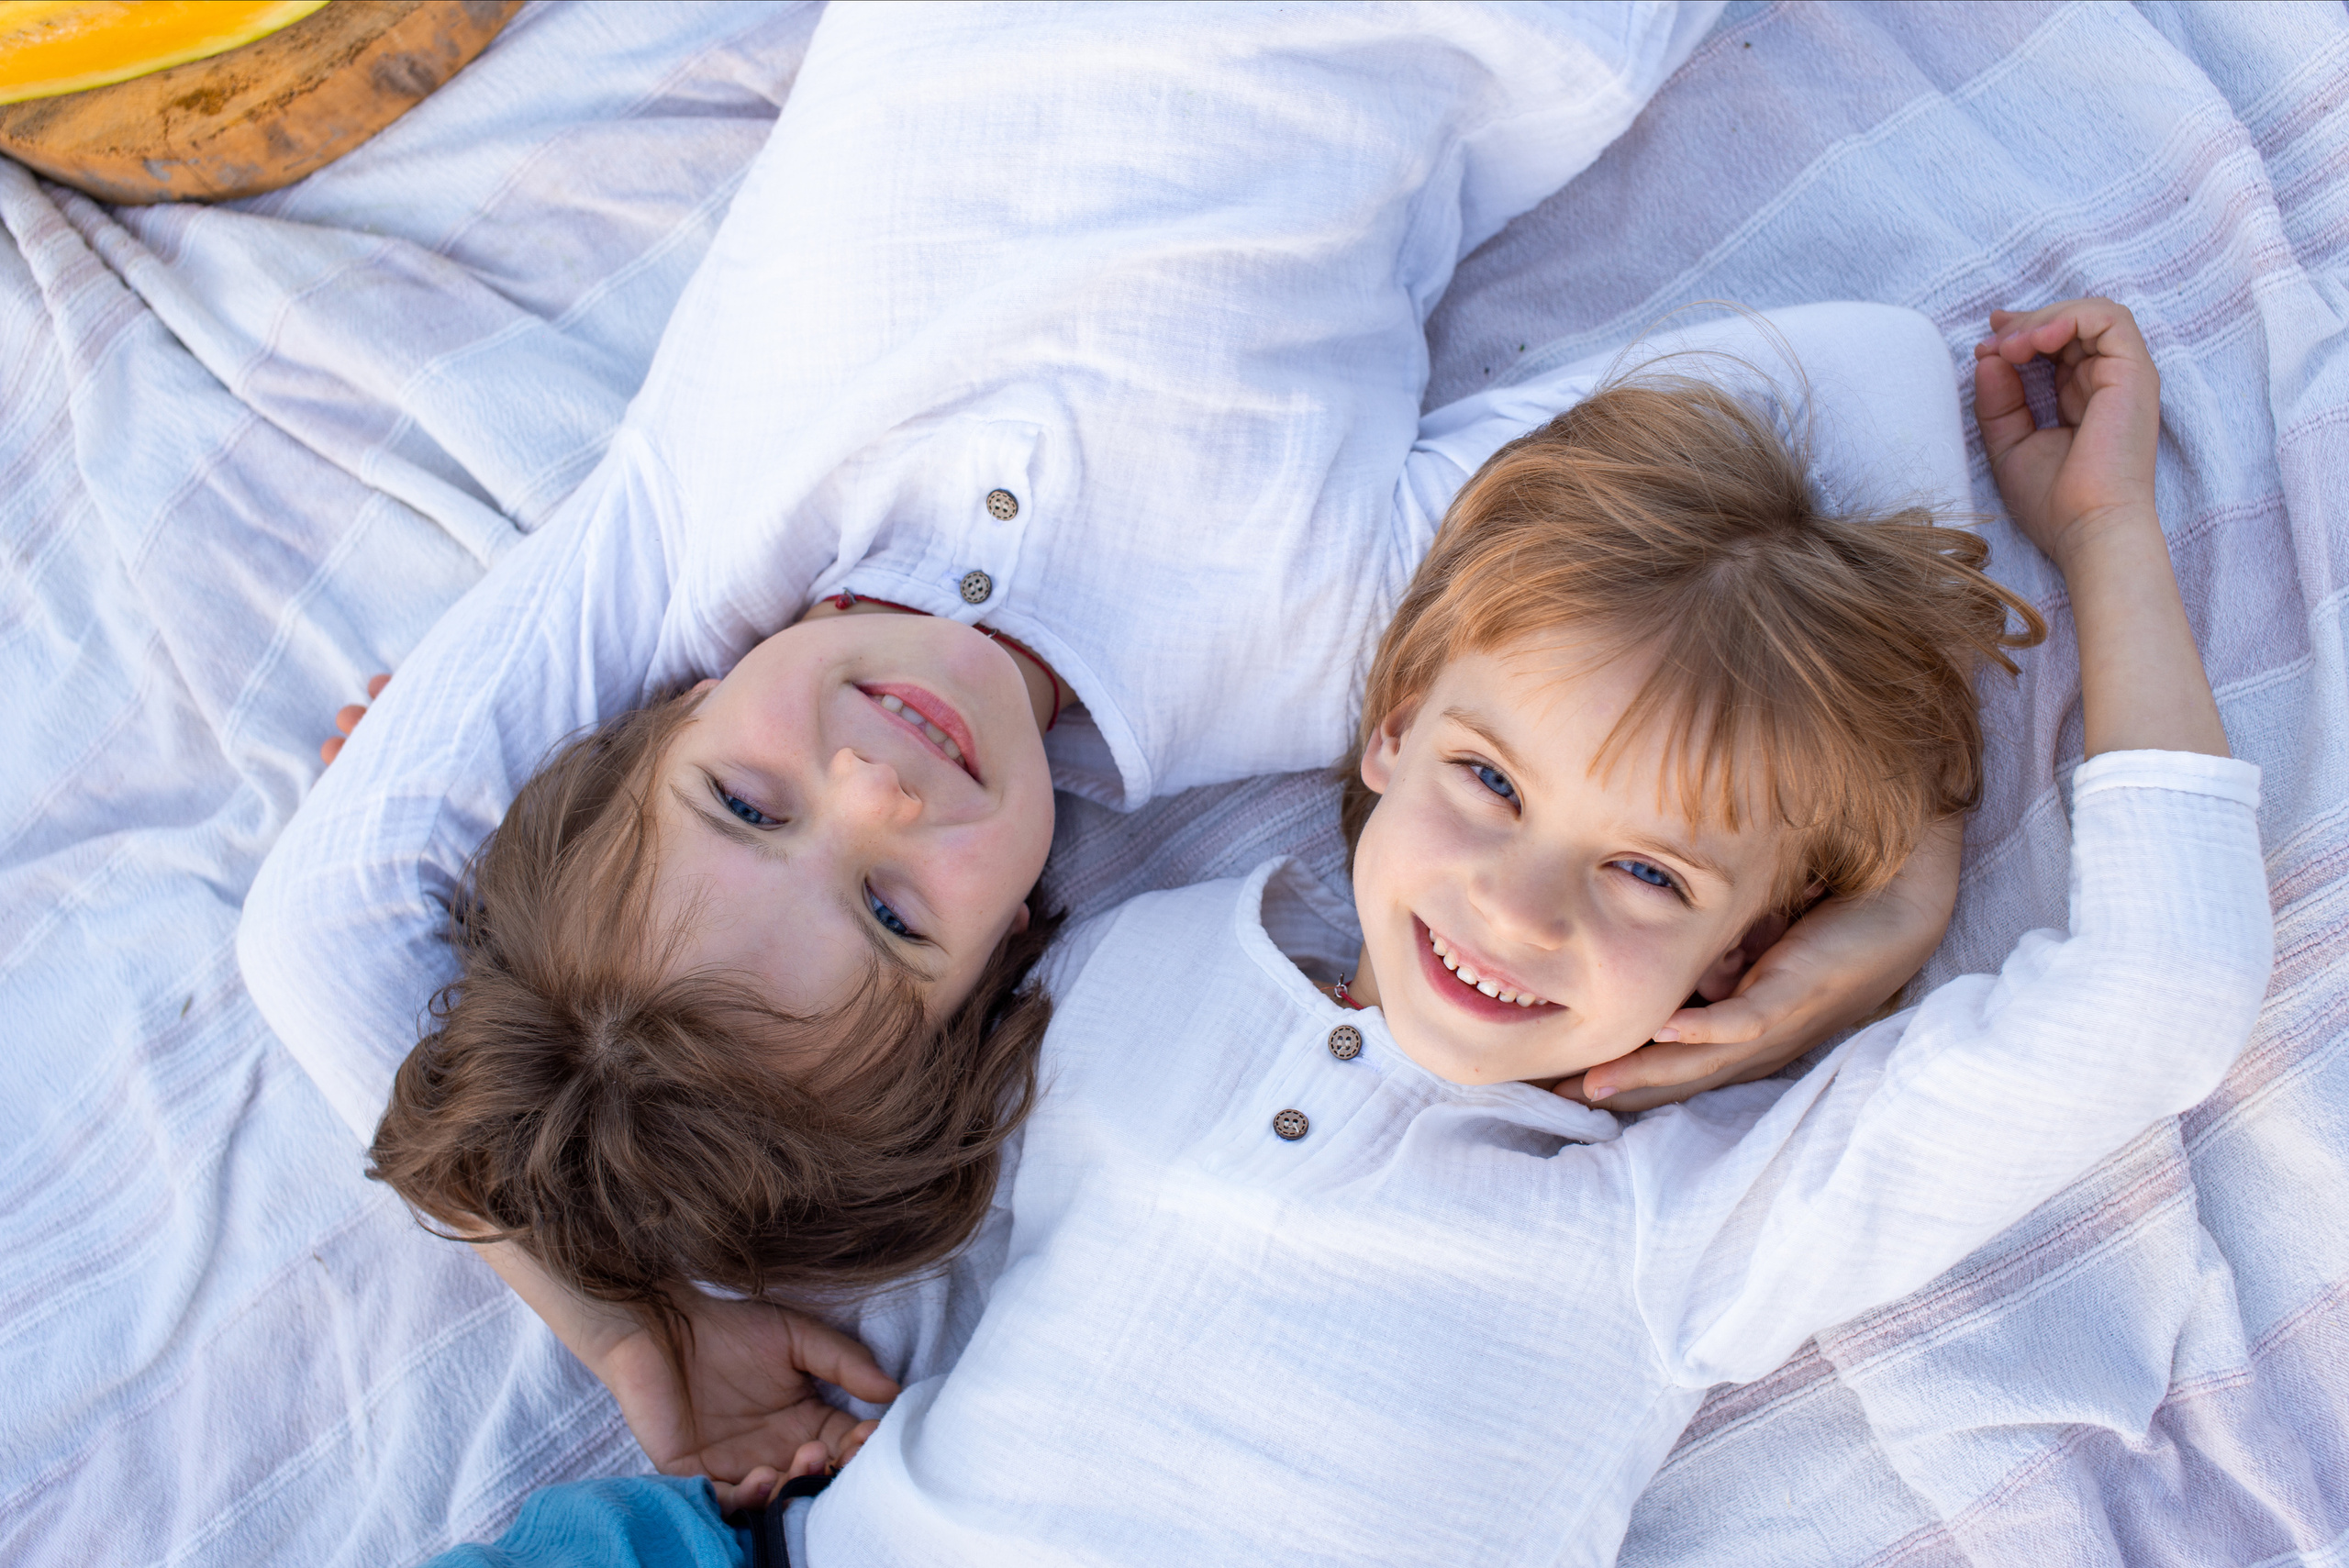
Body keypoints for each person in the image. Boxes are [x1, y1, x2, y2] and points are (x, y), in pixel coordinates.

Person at [239, 2, 1963, 1495]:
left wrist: (622, 1328)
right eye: (901, 914)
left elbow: (320, 930)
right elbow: (1866, 391)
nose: (878, 788)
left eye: (745, 803)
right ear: (1012, 954)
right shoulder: (1314, 639)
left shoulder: (694, 534)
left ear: (644, 727)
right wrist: (1895, 889)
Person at [420, 295, 2272, 1567]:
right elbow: (705, 1117)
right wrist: (471, 753)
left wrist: (2089, 565)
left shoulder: (1685, 1232)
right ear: (1386, 727)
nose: (1512, 902)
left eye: (1648, 879)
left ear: (1736, 952)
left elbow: (2158, 993)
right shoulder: (1102, 976)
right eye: (1483, 781)